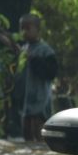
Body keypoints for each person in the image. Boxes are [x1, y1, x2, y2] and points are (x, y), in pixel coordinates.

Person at [15, 13, 59, 142]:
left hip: (41, 101)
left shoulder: (46, 51)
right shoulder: (23, 49)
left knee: (39, 133)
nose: (24, 32)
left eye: (28, 28)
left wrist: (32, 59)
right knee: (26, 133)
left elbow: (51, 73)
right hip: (25, 101)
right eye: (21, 28)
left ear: (38, 30)